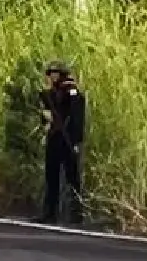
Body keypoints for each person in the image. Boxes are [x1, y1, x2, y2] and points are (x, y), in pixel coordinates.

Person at [41, 61, 87, 224]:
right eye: (51, 73)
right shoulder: (50, 93)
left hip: (68, 139)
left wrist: (75, 140)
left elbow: (77, 117)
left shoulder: (71, 92)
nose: (53, 76)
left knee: (72, 178)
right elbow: (46, 115)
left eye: (56, 73)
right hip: (54, 138)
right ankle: (50, 213)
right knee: (51, 176)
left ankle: (77, 213)